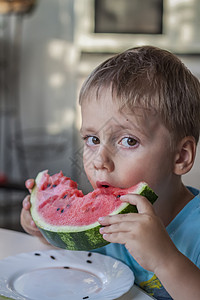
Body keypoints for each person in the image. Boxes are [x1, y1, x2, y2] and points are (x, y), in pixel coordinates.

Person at [20, 46, 200, 300]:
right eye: (92, 139)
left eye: (128, 141)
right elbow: (78, 250)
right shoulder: (106, 220)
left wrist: (164, 260)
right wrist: (44, 230)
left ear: (181, 156)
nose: (100, 160)